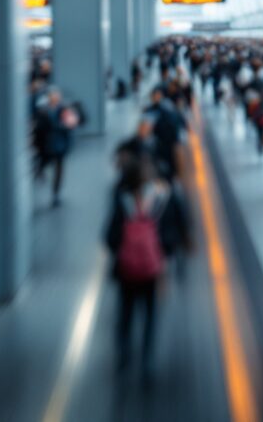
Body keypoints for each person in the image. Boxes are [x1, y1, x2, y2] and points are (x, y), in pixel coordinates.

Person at [104, 155, 191, 373]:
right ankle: (147, 357)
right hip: (153, 269)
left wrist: (122, 251)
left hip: (126, 269)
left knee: (126, 311)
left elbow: (110, 236)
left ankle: (123, 353)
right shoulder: (161, 200)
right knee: (151, 312)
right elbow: (175, 231)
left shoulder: (122, 201)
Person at [33, 89, 77, 206]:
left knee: (58, 167)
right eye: (52, 96)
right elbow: (38, 128)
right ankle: (41, 173)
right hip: (47, 145)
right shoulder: (43, 110)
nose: (54, 98)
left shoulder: (63, 110)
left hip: (59, 144)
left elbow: (71, 124)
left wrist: (60, 126)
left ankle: (55, 193)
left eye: (56, 96)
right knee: (47, 163)